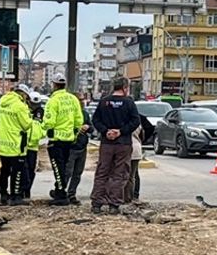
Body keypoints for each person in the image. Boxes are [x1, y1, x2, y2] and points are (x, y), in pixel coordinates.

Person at [89, 76, 140, 214]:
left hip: (106, 144)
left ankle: (96, 203)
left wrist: (105, 131)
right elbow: (136, 121)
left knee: (102, 172)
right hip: (123, 144)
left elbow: (95, 119)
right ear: (124, 88)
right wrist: (121, 132)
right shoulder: (129, 103)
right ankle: (114, 205)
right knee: (119, 174)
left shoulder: (104, 102)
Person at [41, 75, 84, 205]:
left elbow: (49, 122)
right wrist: (75, 133)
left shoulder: (53, 101)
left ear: (54, 85)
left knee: (58, 168)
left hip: (56, 139)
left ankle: (60, 195)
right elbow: (79, 120)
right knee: (64, 167)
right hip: (69, 140)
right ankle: (59, 190)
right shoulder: (73, 99)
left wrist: (42, 128)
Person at [0, 87, 32, 206]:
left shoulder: (3, 101)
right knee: (17, 172)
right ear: (22, 94)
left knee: (4, 170)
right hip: (17, 144)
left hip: (3, 144)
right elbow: (26, 125)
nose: (26, 98)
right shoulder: (20, 106)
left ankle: (3, 195)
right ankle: (15, 196)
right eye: (26, 95)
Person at [64, 105, 92, 205]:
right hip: (71, 147)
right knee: (67, 172)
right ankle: (61, 192)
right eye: (79, 100)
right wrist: (76, 129)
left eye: (82, 100)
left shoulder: (84, 114)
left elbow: (91, 128)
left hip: (82, 147)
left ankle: (71, 193)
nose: (81, 103)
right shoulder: (68, 113)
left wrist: (88, 127)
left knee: (78, 173)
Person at [125, 113, 152, 205]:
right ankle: (133, 196)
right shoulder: (137, 120)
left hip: (126, 148)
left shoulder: (122, 120)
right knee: (133, 175)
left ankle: (127, 197)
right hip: (136, 148)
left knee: (127, 175)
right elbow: (145, 132)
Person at [23, 109, 44, 201]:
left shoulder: (40, 112)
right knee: (24, 170)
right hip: (23, 147)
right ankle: (22, 190)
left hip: (33, 148)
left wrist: (38, 135)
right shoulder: (24, 111)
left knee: (31, 170)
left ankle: (27, 189)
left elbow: (43, 129)